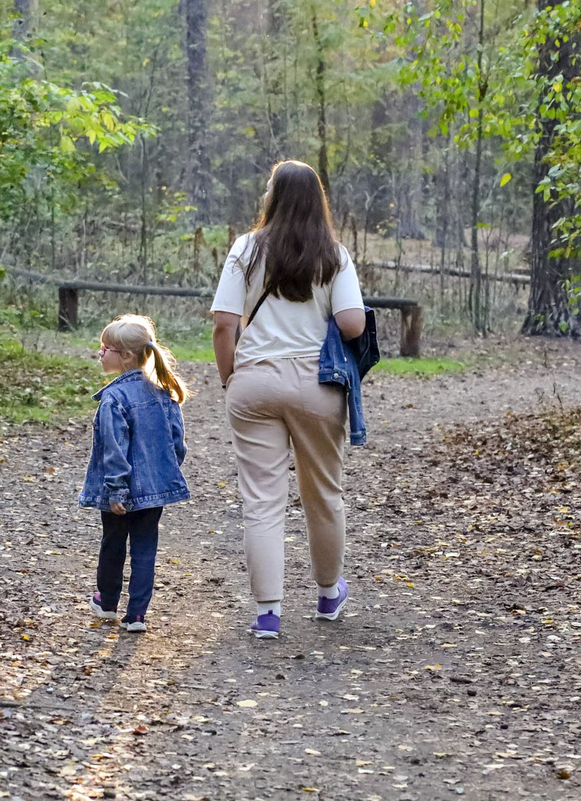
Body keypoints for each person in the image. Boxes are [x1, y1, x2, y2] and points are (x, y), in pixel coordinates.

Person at [210, 160, 367, 639]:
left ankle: (268, 613)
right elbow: (352, 324)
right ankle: (326, 594)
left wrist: (229, 378)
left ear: (272, 198)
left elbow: (223, 324)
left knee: (262, 500)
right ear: (317, 201)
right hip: (317, 384)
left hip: (254, 381)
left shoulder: (245, 249)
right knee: (323, 494)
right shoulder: (334, 255)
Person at [79, 314, 191, 633]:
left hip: (120, 491)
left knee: (113, 541)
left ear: (126, 356)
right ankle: (137, 614)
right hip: (153, 491)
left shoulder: (114, 398)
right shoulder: (163, 393)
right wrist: (158, 474)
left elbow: (115, 448)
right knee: (145, 547)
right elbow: (176, 444)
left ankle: (108, 601)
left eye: (106, 348)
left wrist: (116, 489)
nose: (101, 353)